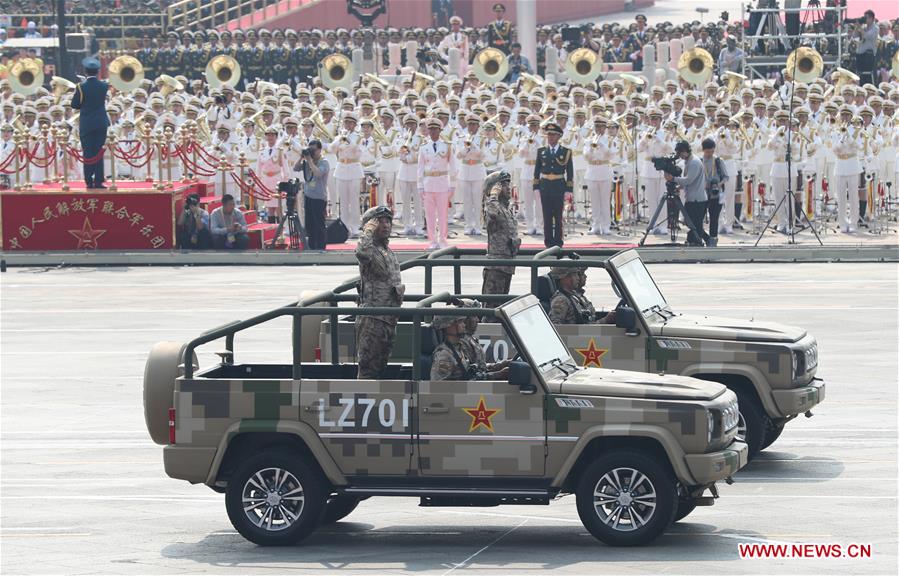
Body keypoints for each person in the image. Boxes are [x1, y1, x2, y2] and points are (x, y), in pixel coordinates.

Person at [355, 206, 404, 379]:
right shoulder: (370, 250)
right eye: (380, 222)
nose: (385, 225)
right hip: (373, 320)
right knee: (368, 371)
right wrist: (367, 231)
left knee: (381, 369)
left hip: (389, 320)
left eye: (388, 221)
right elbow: (361, 252)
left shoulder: (387, 251)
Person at [70, 57, 110, 189]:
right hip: (101, 122)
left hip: (87, 123)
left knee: (87, 152)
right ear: (98, 72)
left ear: (85, 72)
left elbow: (74, 104)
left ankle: (89, 181)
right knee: (99, 152)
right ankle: (99, 180)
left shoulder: (81, 87)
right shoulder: (104, 86)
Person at [417, 117, 455, 249]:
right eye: (431, 129)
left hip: (442, 184)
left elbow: (453, 167)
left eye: (435, 129)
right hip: (428, 184)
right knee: (429, 215)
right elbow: (420, 168)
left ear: (440, 130)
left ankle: (442, 239)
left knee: (443, 214)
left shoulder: (447, 146)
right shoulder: (424, 147)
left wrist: (453, 185)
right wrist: (420, 186)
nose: (433, 132)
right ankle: (432, 240)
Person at [533, 122, 573, 248]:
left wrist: (569, 189)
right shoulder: (541, 151)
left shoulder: (566, 152)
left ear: (559, 136)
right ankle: (548, 242)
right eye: (549, 135)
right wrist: (536, 187)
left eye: (553, 135)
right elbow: (537, 171)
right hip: (545, 186)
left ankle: (558, 242)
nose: (550, 137)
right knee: (547, 216)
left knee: (558, 216)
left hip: (559, 186)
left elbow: (570, 172)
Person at [482, 170, 520, 298]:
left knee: (503, 303)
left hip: (508, 266)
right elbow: (492, 214)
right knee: (491, 305)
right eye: (503, 185)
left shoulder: (506, 209)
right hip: (496, 267)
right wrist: (493, 196)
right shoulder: (492, 206)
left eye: (508, 184)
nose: (508, 188)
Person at [664, 140, 708, 246]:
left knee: (694, 223)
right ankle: (699, 239)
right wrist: (679, 187)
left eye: (680, 153)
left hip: (697, 199)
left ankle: (701, 240)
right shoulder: (689, 161)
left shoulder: (694, 162)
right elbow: (689, 181)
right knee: (691, 222)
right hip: (692, 198)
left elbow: (688, 180)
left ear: (685, 151)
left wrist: (673, 179)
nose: (680, 156)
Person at [456, 299, 511, 378]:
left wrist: (501, 364)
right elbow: (471, 376)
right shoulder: (462, 343)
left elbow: (479, 367)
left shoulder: (471, 340)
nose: (478, 320)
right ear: (465, 319)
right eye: (474, 316)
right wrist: (498, 374)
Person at [548, 266, 617, 325]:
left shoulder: (575, 296)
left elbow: (587, 323)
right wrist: (605, 320)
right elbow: (555, 327)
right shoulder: (561, 300)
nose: (578, 278)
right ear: (564, 277)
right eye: (574, 275)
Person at [295, 139, 329, 250]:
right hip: (308, 196)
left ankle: (321, 247)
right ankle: (311, 247)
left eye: (313, 150)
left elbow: (318, 174)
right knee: (309, 225)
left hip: (319, 197)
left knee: (319, 224)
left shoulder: (324, 162)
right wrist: (301, 157)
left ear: (319, 150)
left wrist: (310, 161)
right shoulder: (307, 162)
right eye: (310, 150)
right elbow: (295, 168)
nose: (312, 152)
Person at [700, 138, 728, 247]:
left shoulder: (718, 161)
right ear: (703, 150)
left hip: (716, 194)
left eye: (712, 151)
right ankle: (702, 237)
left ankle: (713, 240)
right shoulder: (699, 161)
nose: (710, 154)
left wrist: (718, 184)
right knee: (699, 218)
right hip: (703, 194)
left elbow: (726, 177)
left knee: (714, 218)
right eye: (707, 152)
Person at [855, 10, 878, 86]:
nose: (865, 19)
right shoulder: (863, 27)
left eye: (866, 18)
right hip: (860, 54)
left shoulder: (875, 28)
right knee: (860, 74)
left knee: (867, 75)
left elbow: (867, 36)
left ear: (872, 18)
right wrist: (857, 26)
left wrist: (860, 28)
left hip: (868, 55)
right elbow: (855, 36)